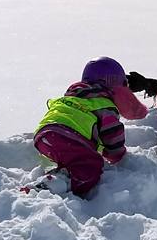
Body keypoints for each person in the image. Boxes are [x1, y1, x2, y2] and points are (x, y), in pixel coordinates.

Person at [24, 57, 148, 197]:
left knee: (73, 160)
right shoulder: (104, 104)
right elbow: (112, 134)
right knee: (91, 165)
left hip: (43, 135)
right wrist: (118, 155)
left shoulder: (73, 96)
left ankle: (49, 179)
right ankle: (55, 184)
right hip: (68, 136)